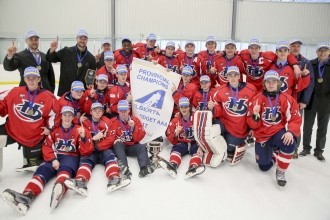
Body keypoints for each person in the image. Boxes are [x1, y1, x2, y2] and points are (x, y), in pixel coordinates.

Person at [1, 106, 92, 214]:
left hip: (70, 157)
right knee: (41, 171)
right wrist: (53, 159)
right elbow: (47, 146)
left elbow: (86, 151)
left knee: (64, 171)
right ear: (61, 117)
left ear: (73, 117)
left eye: (70, 116)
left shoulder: (80, 130)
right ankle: (26, 196)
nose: (67, 118)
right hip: (55, 156)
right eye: (65, 115)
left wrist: (83, 138)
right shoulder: (54, 131)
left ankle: (60, 188)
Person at [247, 70, 301, 187]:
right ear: (264, 83)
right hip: (262, 134)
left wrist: (291, 132)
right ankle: (274, 154)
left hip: (277, 131)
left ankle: (280, 172)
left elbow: (295, 118)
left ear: (278, 83)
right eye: (268, 81)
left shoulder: (286, 98)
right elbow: (253, 125)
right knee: (264, 167)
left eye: (274, 81)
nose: (271, 84)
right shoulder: (257, 99)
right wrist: (255, 115)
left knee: (289, 142)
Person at [65, 102, 130, 196]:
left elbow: (110, 139)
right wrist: (92, 139)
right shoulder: (84, 123)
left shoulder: (107, 121)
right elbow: (82, 140)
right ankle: (80, 181)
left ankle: (115, 178)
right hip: (90, 150)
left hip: (102, 149)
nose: (97, 112)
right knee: (86, 160)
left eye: (100, 110)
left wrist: (97, 146)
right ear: (90, 112)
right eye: (95, 110)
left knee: (110, 157)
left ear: (103, 112)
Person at [0, 67, 57, 172]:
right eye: (28, 78)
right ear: (24, 79)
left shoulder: (48, 97)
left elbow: (54, 115)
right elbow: (2, 103)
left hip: (33, 137)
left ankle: (31, 157)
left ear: (39, 79)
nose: (31, 80)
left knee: (34, 164)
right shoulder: (14, 92)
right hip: (12, 130)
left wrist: (49, 128)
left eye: (34, 78)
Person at [213, 66, 257, 164]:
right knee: (212, 130)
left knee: (229, 150)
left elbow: (253, 111)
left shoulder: (251, 89)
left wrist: (252, 128)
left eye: (235, 75)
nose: (233, 78)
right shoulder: (220, 90)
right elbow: (218, 109)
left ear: (239, 76)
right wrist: (213, 108)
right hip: (225, 122)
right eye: (230, 75)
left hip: (239, 127)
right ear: (227, 77)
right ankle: (225, 137)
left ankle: (242, 141)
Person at [161, 97, 205, 179]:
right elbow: (171, 139)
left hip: (195, 142)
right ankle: (173, 165)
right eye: (182, 107)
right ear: (179, 108)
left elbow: (203, 133)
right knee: (176, 149)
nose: (184, 109)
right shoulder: (175, 120)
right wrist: (175, 133)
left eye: (186, 107)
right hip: (182, 143)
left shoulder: (197, 117)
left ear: (189, 107)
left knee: (198, 153)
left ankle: (193, 167)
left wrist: (201, 147)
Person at [300, 42, 330, 161]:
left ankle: (319, 151)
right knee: (307, 127)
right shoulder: (310, 63)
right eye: (320, 50)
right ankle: (306, 147)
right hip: (311, 101)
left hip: (326, 102)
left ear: (329, 52)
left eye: (325, 50)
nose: (322, 53)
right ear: (316, 52)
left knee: (322, 128)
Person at [111, 100, 154, 178]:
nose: (123, 113)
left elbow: (140, 137)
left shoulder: (135, 120)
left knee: (142, 146)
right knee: (117, 144)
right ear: (118, 111)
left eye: (125, 110)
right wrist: (115, 139)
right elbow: (109, 137)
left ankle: (144, 168)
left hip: (132, 146)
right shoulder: (113, 121)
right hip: (121, 147)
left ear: (129, 110)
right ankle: (125, 168)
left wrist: (134, 128)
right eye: (121, 111)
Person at [46, 29, 96, 96]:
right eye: (80, 38)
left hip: (80, 94)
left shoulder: (91, 58)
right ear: (76, 39)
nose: (82, 40)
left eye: (84, 39)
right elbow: (51, 59)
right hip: (65, 92)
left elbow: (90, 79)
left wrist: (89, 89)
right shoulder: (66, 51)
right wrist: (52, 49)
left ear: (87, 40)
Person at [288, 39, 314, 158]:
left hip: (298, 100)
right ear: (289, 47)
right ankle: (281, 146)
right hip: (284, 99)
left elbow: (310, 84)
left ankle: (294, 148)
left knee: (295, 124)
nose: (295, 48)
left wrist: (304, 101)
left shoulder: (305, 62)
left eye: (298, 46)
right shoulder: (285, 59)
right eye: (293, 46)